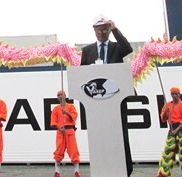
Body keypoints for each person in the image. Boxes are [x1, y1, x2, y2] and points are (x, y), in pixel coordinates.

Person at [80, 14, 134, 176]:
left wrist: (115, 28)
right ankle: (102, 167)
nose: (101, 32)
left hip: (117, 98)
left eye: (105, 29)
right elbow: (82, 74)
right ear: (94, 31)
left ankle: (126, 168)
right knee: (100, 135)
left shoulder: (117, 47)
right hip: (96, 101)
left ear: (109, 30)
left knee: (121, 133)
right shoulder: (87, 51)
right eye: (98, 29)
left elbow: (128, 48)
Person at [157, 87, 182, 177]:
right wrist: (166, 112)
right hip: (171, 130)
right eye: (173, 94)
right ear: (171, 95)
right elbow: (163, 118)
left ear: (179, 94)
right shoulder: (167, 105)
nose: (175, 95)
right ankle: (163, 173)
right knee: (168, 151)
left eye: (176, 93)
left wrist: (176, 131)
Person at [50, 90, 81, 177]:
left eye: (61, 95)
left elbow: (74, 117)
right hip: (60, 132)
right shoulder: (55, 109)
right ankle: (57, 172)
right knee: (58, 151)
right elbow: (53, 122)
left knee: (74, 151)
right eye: (58, 95)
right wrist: (60, 128)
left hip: (70, 131)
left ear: (65, 96)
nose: (60, 96)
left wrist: (66, 112)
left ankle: (76, 172)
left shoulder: (71, 107)